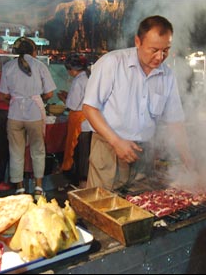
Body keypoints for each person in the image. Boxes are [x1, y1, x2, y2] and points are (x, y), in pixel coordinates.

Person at [82, 15, 195, 191]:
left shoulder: (167, 75)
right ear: (137, 41)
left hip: (144, 155)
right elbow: (89, 108)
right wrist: (116, 142)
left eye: (166, 50)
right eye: (154, 50)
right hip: (108, 150)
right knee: (101, 207)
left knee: (140, 207)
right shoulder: (112, 63)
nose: (160, 57)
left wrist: (188, 158)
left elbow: (175, 121)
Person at [0, 37, 56, 198]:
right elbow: (50, 93)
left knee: (15, 151)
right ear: (34, 51)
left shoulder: (8, 67)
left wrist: (17, 100)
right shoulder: (40, 66)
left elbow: (3, 95)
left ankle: (19, 188)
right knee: (38, 150)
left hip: (14, 115)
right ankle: (38, 188)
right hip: (35, 115)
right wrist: (37, 99)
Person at [57, 53, 92, 187]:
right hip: (88, 119)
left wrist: (64, 98)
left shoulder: (78, 80)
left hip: (79, 121)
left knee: (76, 152)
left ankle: (78, 181)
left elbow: (72, 105)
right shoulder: (89, 77)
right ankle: (83, 180)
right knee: (84, 152)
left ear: (72, 69)